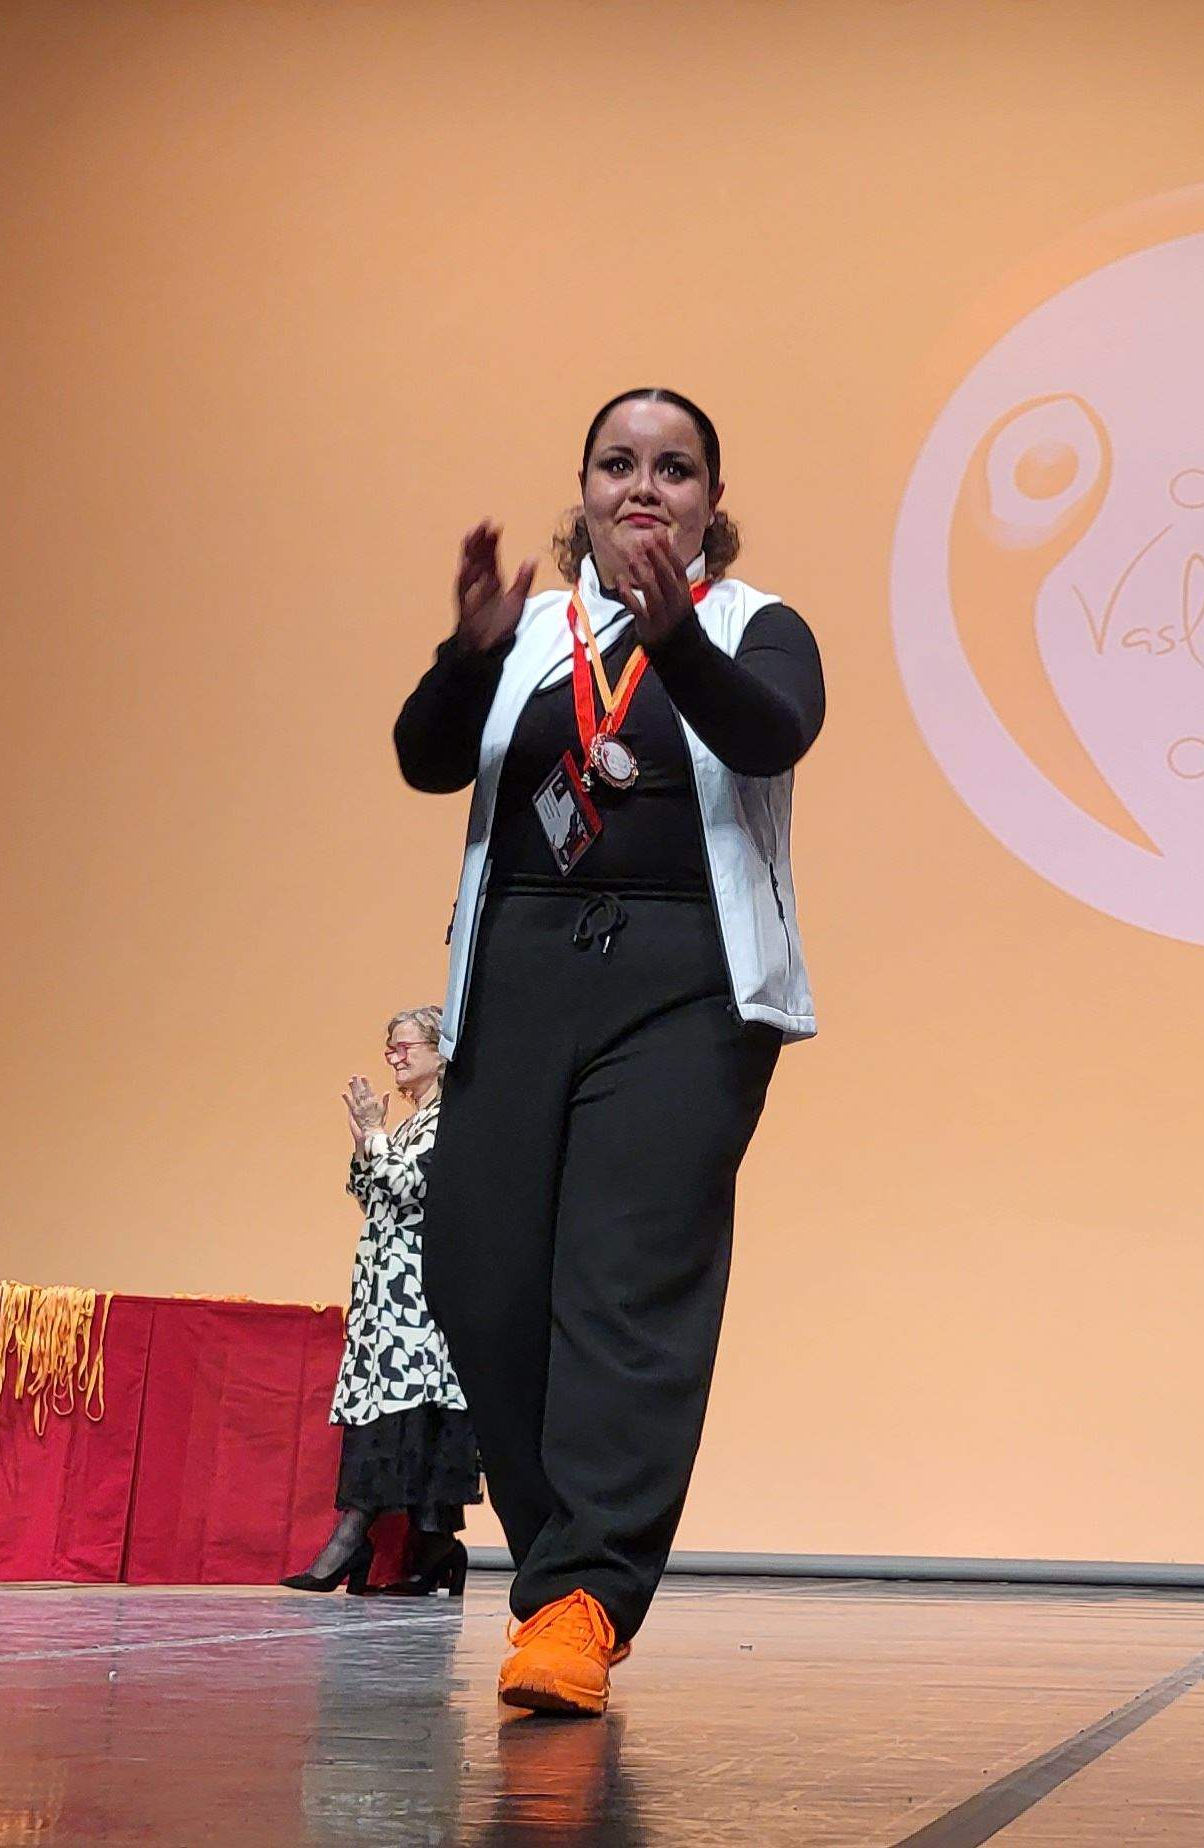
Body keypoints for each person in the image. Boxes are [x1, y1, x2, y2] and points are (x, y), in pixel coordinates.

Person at [391, 387, 824, 1715]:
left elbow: (771, 732)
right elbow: (422, 760)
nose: (646, 484)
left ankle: (581, 1601)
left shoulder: (756, 628)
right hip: (519, 971)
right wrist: (467, 656)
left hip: (683, 985)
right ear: (580, 491)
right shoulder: (523, 635)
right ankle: (562, 1568)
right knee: (483, 1279)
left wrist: (673, 633)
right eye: (618, 463)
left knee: (627, 1288)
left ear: (711, 502)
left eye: (675, 467)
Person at [285, 1005, 478, 1597]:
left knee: (413, 1413)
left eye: (404, 1045)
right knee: (392, 1411)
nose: (393, 1057)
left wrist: (375, 1136)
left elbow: (413, 1187)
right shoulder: (411, 1123)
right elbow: (373, 1194)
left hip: (420, 1293)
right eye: (389, 1047)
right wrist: (366, 1139)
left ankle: (376, 1540)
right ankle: (432, 1549)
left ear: (440, 1049)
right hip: (386, 1293)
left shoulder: (455, 1117)